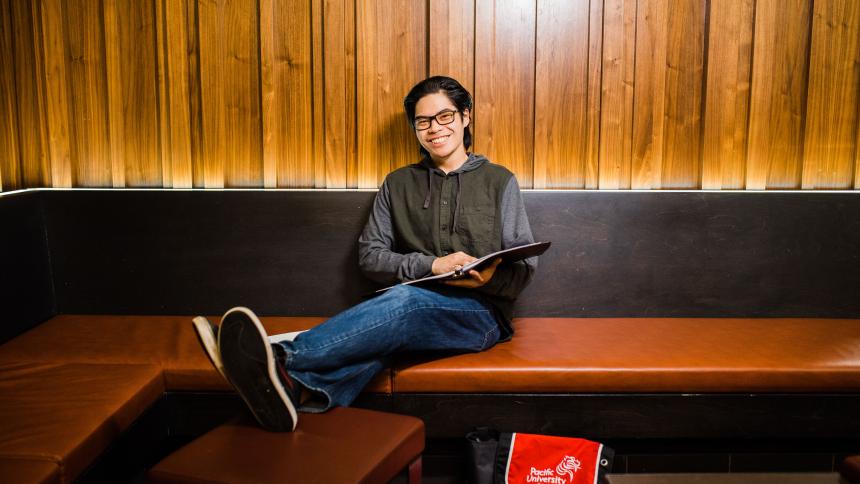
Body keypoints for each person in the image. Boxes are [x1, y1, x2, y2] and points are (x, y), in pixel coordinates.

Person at [192, 76, 538, 432]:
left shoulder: (500, 181)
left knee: (407, 302)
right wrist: (431, 265)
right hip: (410, 306)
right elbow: (371, 257)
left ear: (465, 117)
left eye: (445, 116)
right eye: (423, 121)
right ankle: (293, 389)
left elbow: (524, 266)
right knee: (387, 335)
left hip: (479, 316)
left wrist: (489, 277)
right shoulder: (397, 183)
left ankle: (277, 355)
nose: (434, 128)